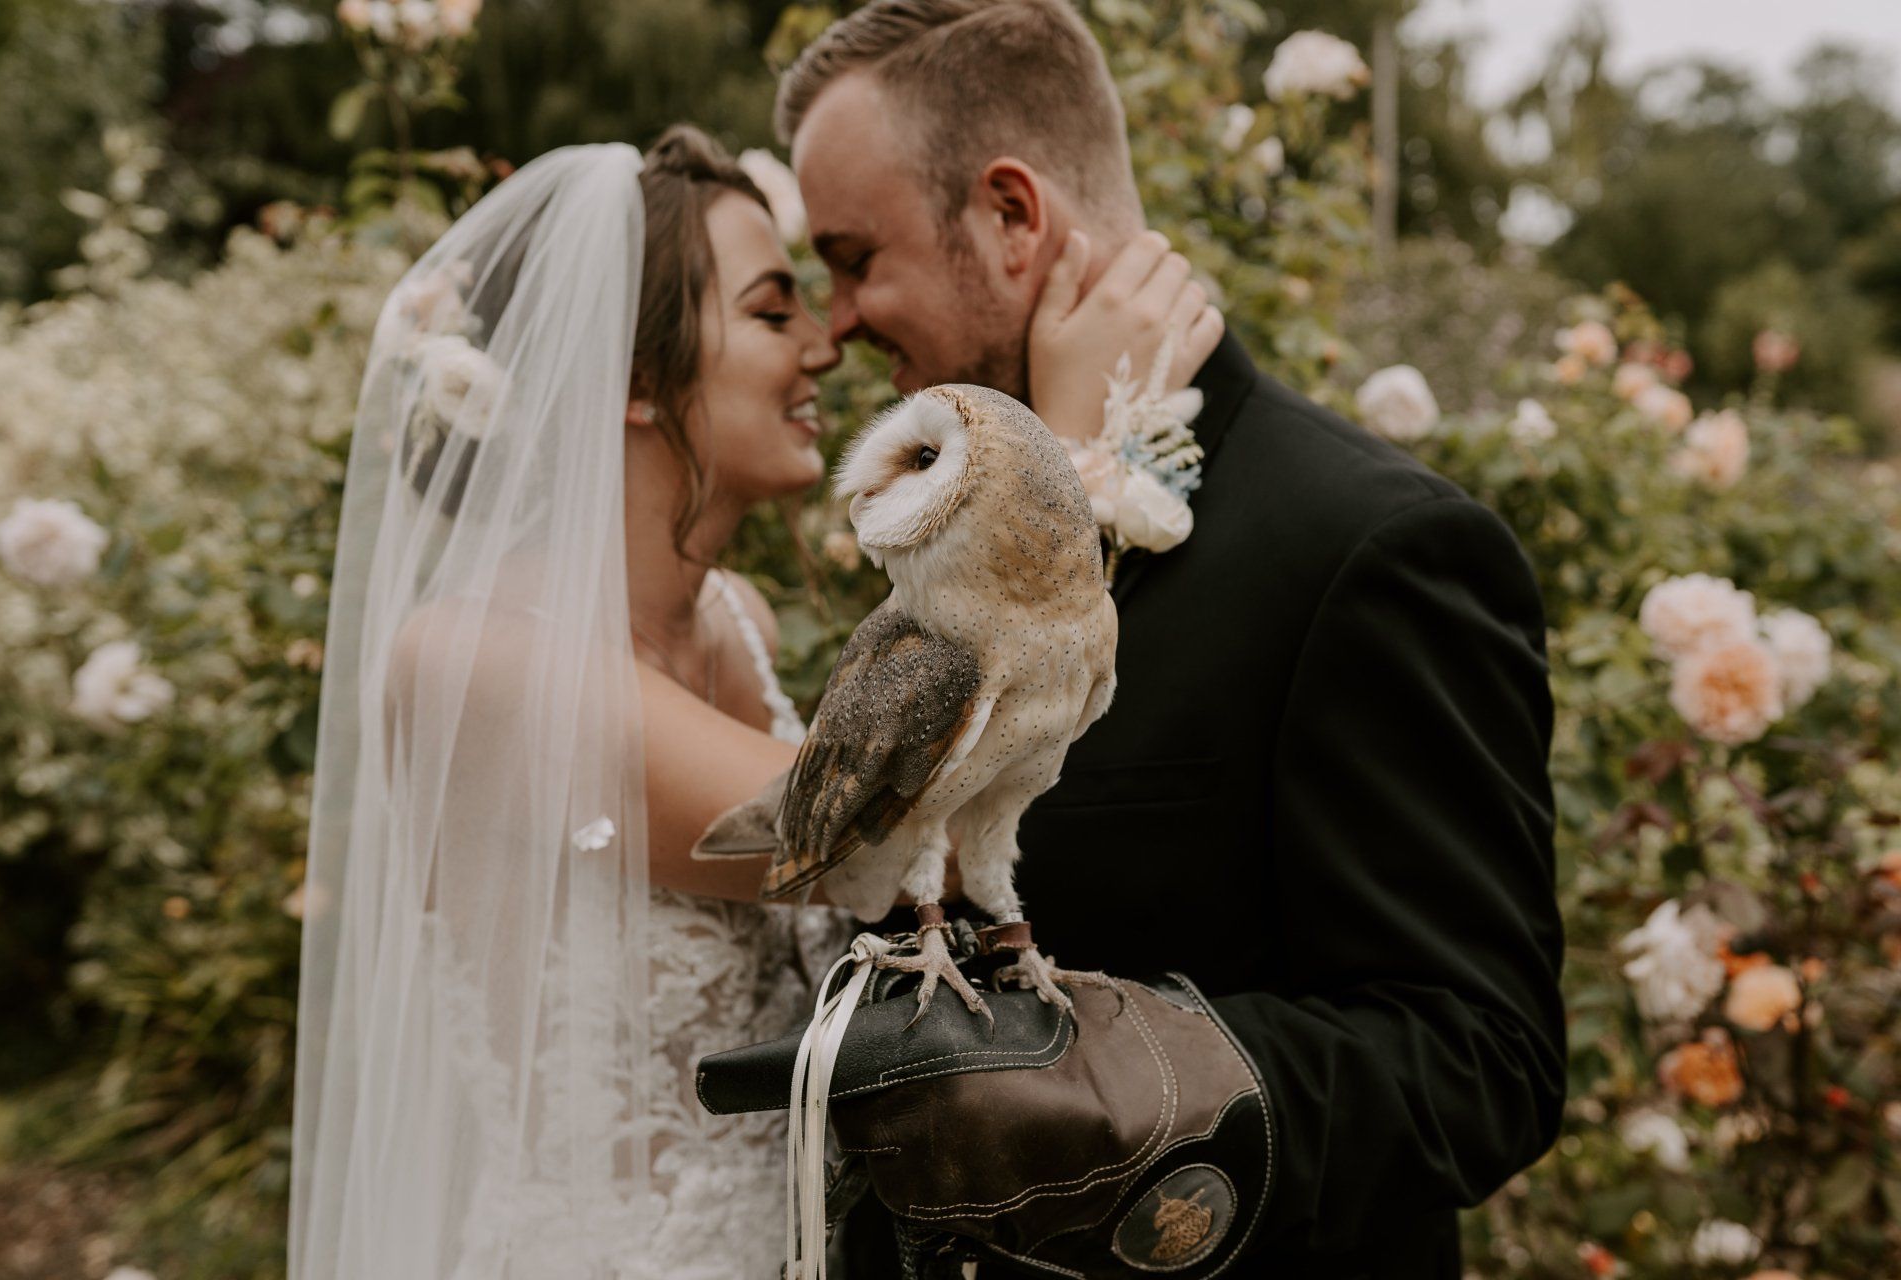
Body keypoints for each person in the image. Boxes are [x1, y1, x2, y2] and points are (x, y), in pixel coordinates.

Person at [288, 125, 1211, 1279]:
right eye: (774, 311)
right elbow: (855, 835)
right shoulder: (476, 659)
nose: (826, 345)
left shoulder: (738, 622)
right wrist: (1059, 464)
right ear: (629, 380)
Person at [770, 2, 1568, 1275]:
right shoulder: (943, 535)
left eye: (858, 255)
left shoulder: (1369, 546)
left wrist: (1109, 1075)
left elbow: (1482, 1060)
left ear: (1012, 215)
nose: (843, 318)